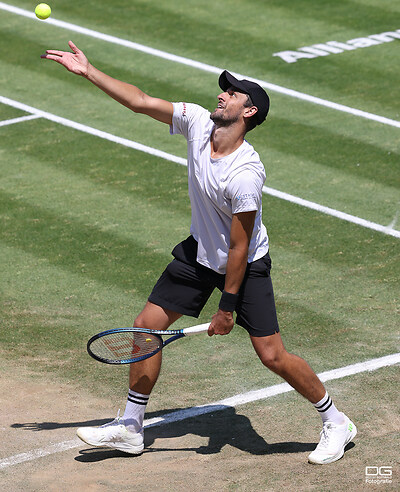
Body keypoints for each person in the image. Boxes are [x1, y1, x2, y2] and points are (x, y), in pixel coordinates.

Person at [41, 41, 357, 464]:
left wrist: (227, 307)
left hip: (243, 268)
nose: (222, 94)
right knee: (145, 328)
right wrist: (89, 71)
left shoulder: (245, 173)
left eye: (233, 93)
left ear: (248, 113)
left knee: (273, 355)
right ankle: (131, 428)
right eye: (224, 90)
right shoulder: (196, 123)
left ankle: (337, 422)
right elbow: (140, 101)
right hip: (198, 254)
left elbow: (240, 247)